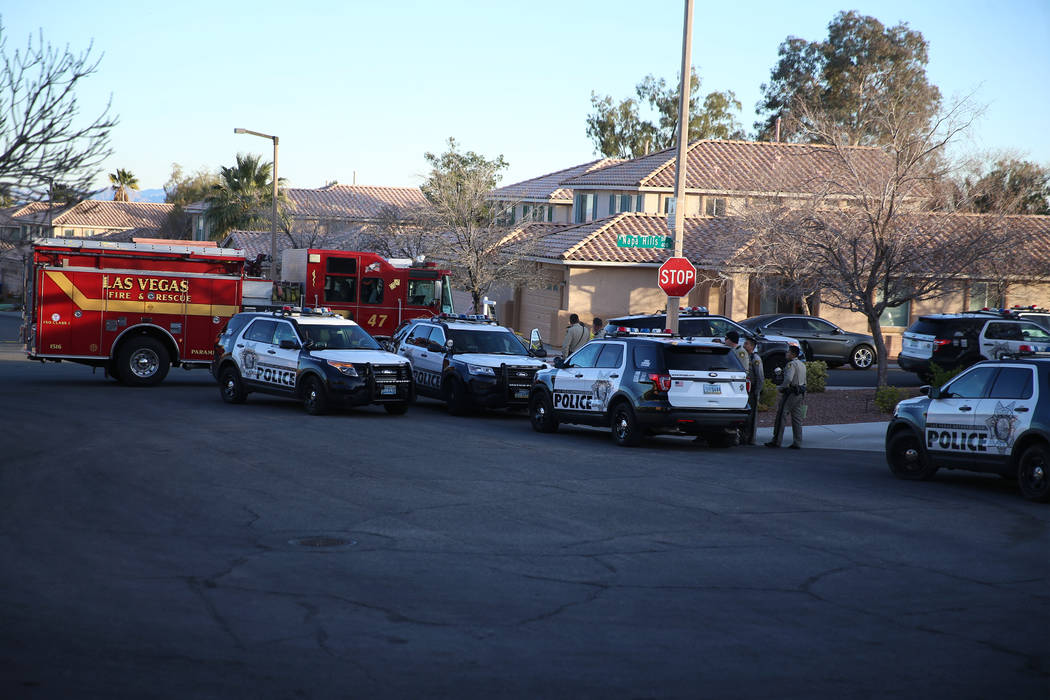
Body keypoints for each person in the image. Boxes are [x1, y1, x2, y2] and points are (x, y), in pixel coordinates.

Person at [766, 345, 806, 449]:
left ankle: (776, 440)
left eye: (788, 352)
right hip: (800, 393)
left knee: (781, 416)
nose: (786, 354)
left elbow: (788, 379)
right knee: (797, 419)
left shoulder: (791, 364)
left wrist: (782, 388)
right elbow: (805, 381)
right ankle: (798, 441)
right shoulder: (802, 364)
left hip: (791, 393)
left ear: (793, 354)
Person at [742, 337, 764, 445]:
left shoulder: (755, 359)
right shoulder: (745, 356)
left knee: (752, 415)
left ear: (752, 347)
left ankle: (751, 438)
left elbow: (760, 376)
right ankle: (743, 436)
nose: (744, 346)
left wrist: (757, 391)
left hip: (753, 389)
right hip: (744, 390)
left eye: (746, 344)